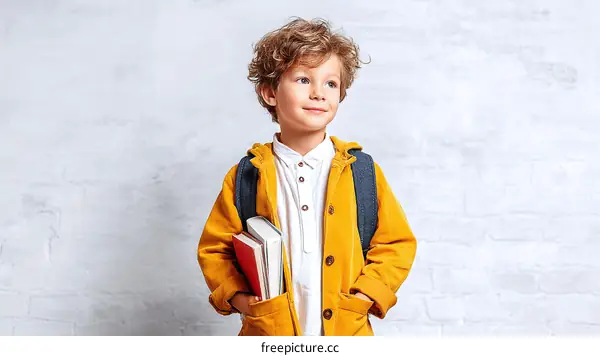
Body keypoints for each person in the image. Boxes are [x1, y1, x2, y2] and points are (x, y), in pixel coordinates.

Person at [197, 17, 417, 336]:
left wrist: (367, 295)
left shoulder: (362, 171)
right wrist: (243, 301)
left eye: (331, 83)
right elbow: (215, 249)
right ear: (270, 93)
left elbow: (396, 242)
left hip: (347, 332)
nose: (318, 93)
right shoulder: (246, 175)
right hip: (269, 334)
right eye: (303, 80)